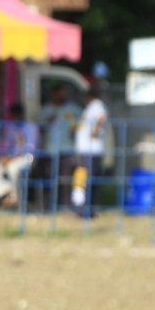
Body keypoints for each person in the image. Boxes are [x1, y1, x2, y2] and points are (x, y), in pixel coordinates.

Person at [0, 103, 37, 208]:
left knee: (12, 168)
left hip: (27, 158)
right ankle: (7, 190)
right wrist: (4, 158)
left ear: (21, 114)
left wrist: (10, 158)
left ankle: (15, 200)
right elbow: (7, 148)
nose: (15, 118)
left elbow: (30, 149)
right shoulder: (10, 127)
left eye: (16, 115)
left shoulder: (31, 127)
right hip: (11, 158)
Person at [37, 83, 81, 210]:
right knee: (48, 180)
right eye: (60, 92)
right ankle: (47, 207)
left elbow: (84, 120)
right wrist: (48, 120)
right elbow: (39, 129)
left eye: (65, 92)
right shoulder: (46, 109)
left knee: (65, 181)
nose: (63, 94)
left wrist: (76, 129)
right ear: (54, 93)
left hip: (66, 150)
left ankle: (65, 207)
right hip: (49, 150)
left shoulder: (73, 109)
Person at [73, 85, 108, 217]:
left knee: (86, 180)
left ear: (89, 96)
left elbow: (102, 117)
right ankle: (86, 208)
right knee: (85, 179)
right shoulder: (93, 106)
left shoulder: (97, 105)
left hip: (91, 151)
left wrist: (94, 132)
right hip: (88, 151)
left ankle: (86, 210)